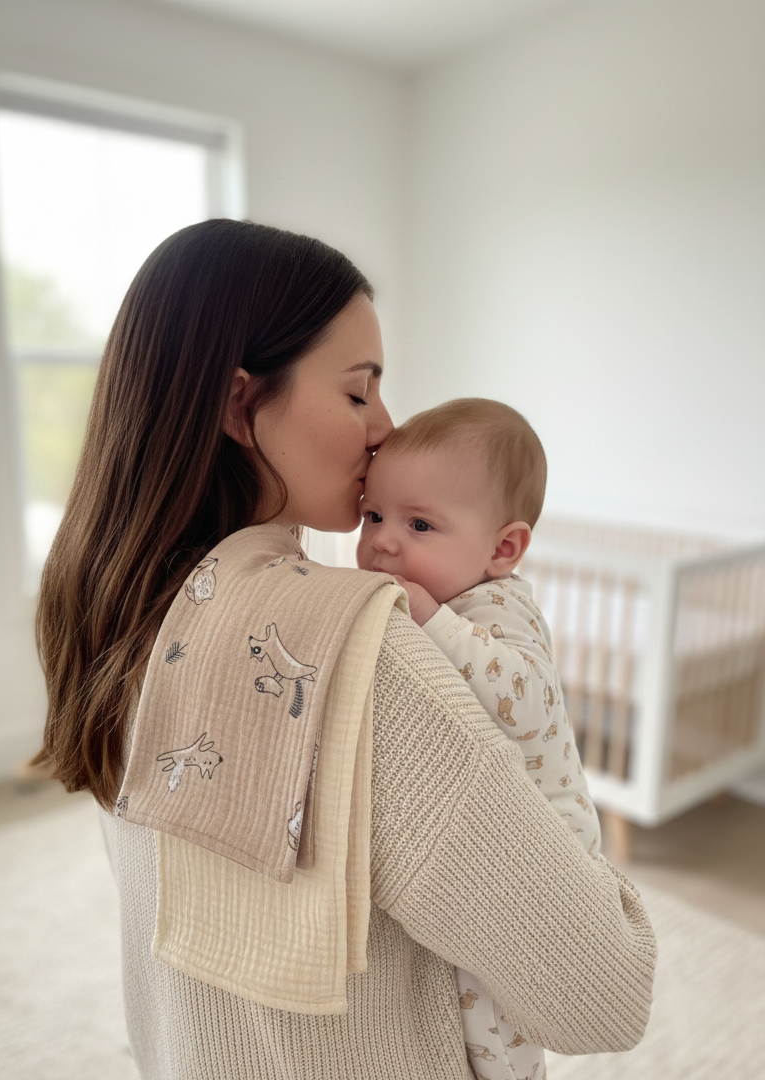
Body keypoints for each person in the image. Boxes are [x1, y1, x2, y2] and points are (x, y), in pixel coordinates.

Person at [33, 219, 656, 1080]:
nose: (385, 427)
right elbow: (608, 992)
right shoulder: (360, 649)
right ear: (240, 405)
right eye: (359, 393)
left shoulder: (115, 609)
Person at [357, 398, 601, 1079]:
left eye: (420, 524)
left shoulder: (496, 607)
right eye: (373, 515)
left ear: (503, 549)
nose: (383, 541)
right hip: (486, 827)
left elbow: (524, 702)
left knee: (495, 1008)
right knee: (458, 985)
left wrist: (436, 620)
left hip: (544, 840)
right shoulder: (441, 601)